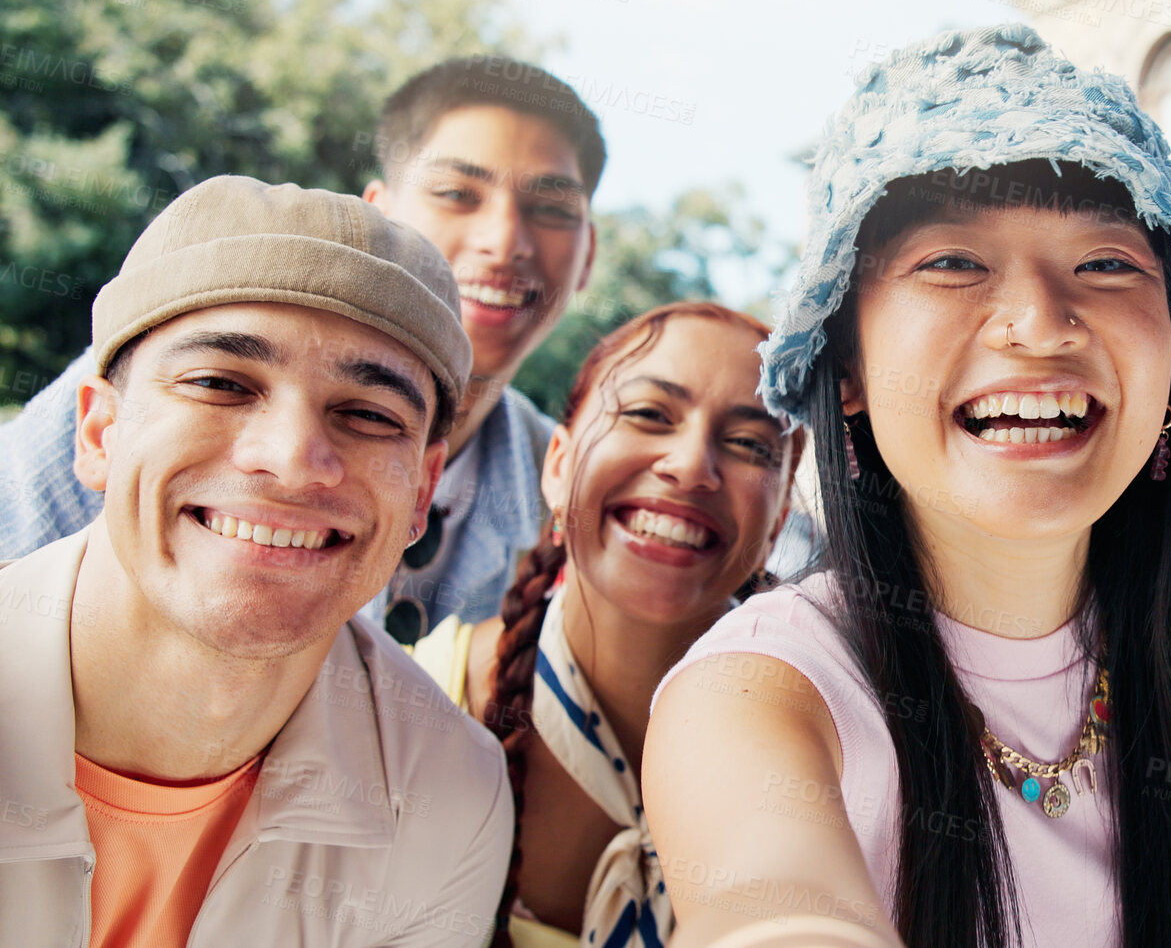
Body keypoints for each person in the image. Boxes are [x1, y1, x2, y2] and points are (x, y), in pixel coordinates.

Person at [643, 25, 1171, 948]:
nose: (1040, 323)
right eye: (952, 262)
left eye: (1106, 263)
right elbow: (770, 907)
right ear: (846, 366)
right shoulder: (754, 696)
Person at [0, 175, 512, 945]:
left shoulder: (449, 796)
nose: (294, 457)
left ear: (422, 489)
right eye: (220, 383)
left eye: (367, 414)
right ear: (99, 431)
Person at [0, 55, 605, 641]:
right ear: (380, 217)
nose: (505, 240)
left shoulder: (570, 492)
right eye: (456, 193)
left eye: (552, 209)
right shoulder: (143, 395)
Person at [407, 302, 804, 948]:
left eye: (748, 445)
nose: (690, 465)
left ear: (779, 517)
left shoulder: (830, 762)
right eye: (648, 413)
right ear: (558, 466)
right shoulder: (408, 708)